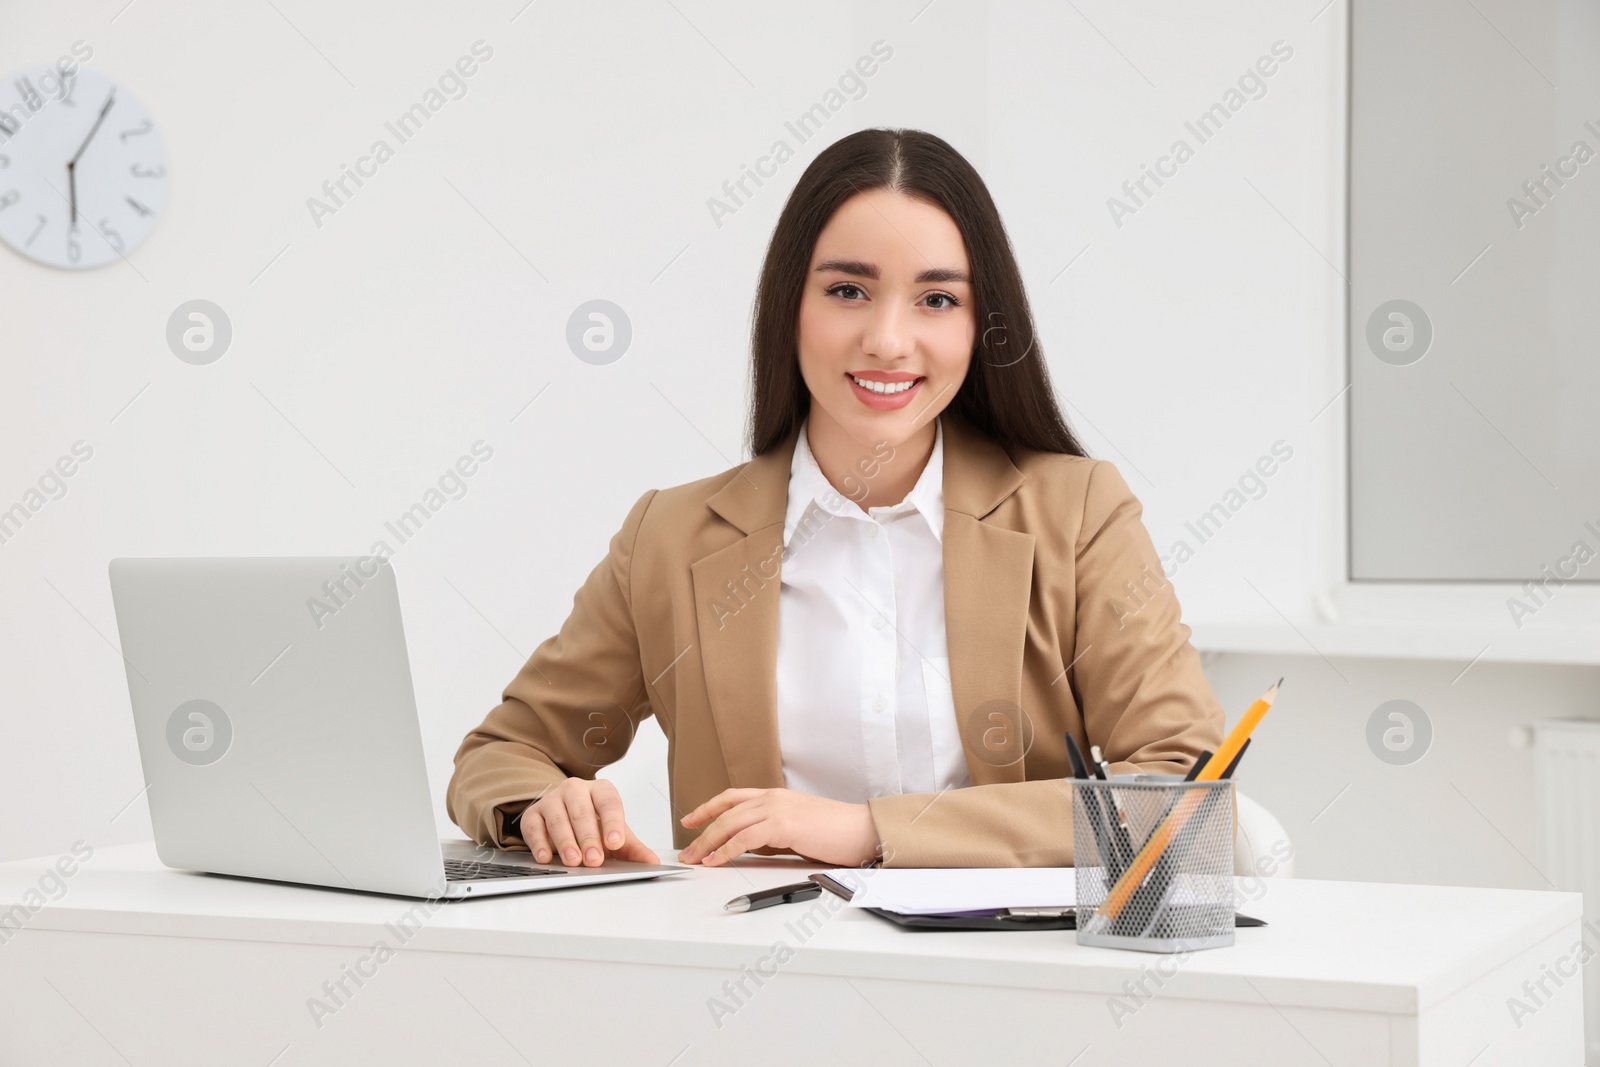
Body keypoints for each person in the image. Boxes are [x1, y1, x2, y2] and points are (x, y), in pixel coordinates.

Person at [446, 128, 1224, 870]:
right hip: (752, 976)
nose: (887, 339)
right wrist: (543, 803)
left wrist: (873, 831)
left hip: (1003, 973)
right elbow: (502, 755)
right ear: (791, 306)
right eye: (848, 289)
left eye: (937, 299)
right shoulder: (672, 538)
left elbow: (1180, 789)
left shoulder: (1079, 513)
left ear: (981, 325)